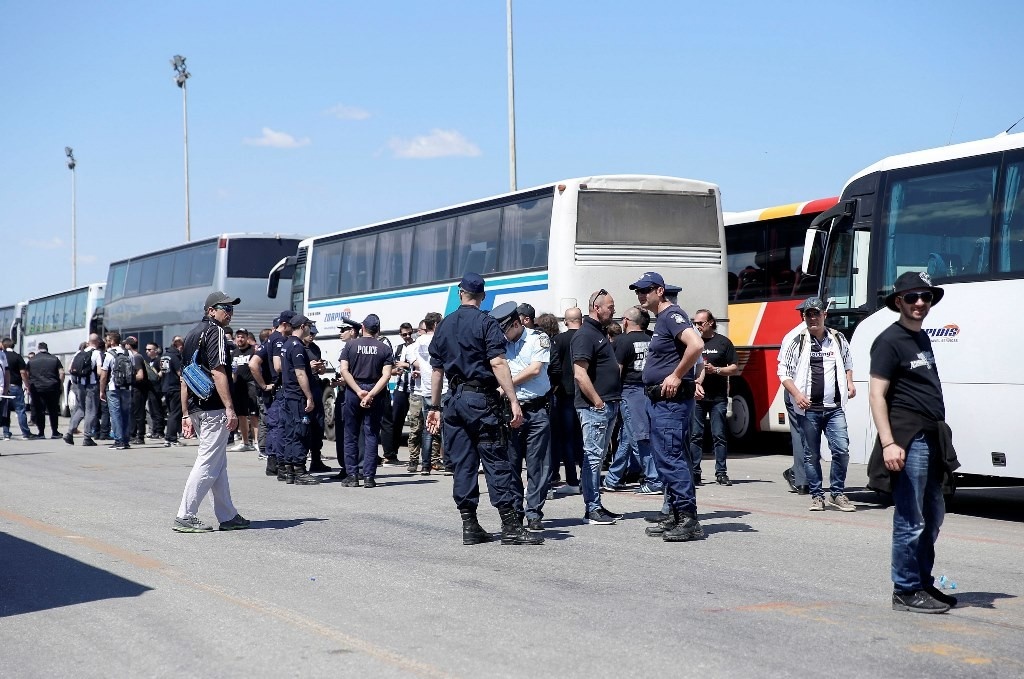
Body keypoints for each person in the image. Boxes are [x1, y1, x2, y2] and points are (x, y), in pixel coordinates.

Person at [427, 273, 542, 546]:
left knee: (463, 465)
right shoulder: (486, 322)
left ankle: (470, 525)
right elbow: (499, 363)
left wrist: (434, 406)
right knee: (495, 461)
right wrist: (514, 401)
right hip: (480, 401)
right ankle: (511, 526)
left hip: (453, 401)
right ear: (483, 295)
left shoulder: (443, 326)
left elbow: (436, 370)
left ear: (460, 293)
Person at [867, 271, 958, 614]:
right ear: (898, 302)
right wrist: (889, 443)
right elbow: (877, 396)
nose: (920, 303)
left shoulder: (922, 339)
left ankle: (922, 582)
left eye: (926, 297)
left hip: (932, 435)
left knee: (934, 514)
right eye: (912, 297)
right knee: (910, 518)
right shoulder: (888, 341)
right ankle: (905, 590)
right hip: (908, 438)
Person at [634, 271, 705, 542]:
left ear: (660, 291)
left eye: (646, 290)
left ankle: (688, 520)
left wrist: (676, 375)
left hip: (670, 403)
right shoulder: (663, 318)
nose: (641, 295)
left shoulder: (672, 315)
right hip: (660, 401)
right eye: (638, 291)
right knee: (667, 459)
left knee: (672, 458)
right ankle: (676, 515)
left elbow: (696, 345)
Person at [174, 291, 249, 532]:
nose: (229, 312)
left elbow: (184, 378)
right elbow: (218, 371)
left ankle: (228, 515)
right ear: (210, 310)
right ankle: (185, 515)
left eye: (231, 308)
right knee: (208, 462)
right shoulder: (214, 331)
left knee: (218, 464)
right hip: (213, 406)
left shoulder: (191, 334)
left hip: (198, 405)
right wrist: (229, 407)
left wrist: (185, 412)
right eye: (224, 308)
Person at [778, 296, 857, 512]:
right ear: (804, 317)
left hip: (834, 408)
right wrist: (797, 395)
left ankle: (837, 493)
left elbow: (848, 363)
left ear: (825, 315)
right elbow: (783, 373)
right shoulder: (797, 340)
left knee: (841, 450)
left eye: (817, 314)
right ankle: (817, 495)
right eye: (809, 314)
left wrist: (849, 382)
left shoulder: (838, 338)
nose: (813, 318)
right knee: (811, 454)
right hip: (809, 409)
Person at [491, 301, 552, 533]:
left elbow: (535, 369)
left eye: (506, 330)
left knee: (537, 465)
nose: (504, 336)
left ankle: (534, 512)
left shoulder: (538, 339)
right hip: (510, 409)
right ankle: (516, 510)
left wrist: (505, 385)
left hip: (536, 409)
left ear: (517, 323)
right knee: (512, 464)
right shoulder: (501, 343)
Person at [571, 288, 623, 525]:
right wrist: (598, 401)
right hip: (595, 408)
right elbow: (580, 373)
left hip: (607, 405)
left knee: (599, 458)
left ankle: (597, 505)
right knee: (592, 458)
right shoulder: (585, 335)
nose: (613, 310)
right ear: (597, 307)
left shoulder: (599, 333)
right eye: (610, 307)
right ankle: (592, 509)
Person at [605, 305, 662, 495]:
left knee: (639, 437)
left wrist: (610, 395)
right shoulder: (651, 339)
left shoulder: (621, 341)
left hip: (629, 393)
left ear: (626, 321)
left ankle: (653, 479)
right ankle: (613, 478)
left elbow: (617, 370)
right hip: (648, 391)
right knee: (626, 437)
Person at [339, 314, 394, 488]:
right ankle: (369, 477)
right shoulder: (384, 349)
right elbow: (386, 375)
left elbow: (344, 371)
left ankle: (352, 475)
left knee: (351, 434)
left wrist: (358, 391)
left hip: (353, 391)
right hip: (375, 391)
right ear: (378, 329)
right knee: (371, 435)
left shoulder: (350, 345)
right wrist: (370, 394)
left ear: (362, 327)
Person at [690, 309, 738, 486]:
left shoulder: (723, 342)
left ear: (710, 323)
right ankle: (695, 472)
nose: (697, 326)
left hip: (717, 396)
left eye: (700, 323)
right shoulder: (692, 341)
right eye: (695, 323)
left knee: (719, 435)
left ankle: (721, 472)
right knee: (695, 435)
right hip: (696, 397)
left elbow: (734, 368)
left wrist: (716, 370)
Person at [275, 315, 321, 485]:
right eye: (309, 325)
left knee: (290, 433)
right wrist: (309, 396)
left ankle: (289, 471)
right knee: (301, 433)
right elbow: (300, 373)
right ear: (303, 326)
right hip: (297, 396)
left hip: (288, 394)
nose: (310, 329)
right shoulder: (297, 347)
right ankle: (300, 471)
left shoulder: (287, 344)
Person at [548, 308, 583, 495]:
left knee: (567, 439)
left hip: (565, 394)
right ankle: (588, 480)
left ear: (566, 321)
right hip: (586, 393)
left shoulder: (559, 340)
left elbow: (554, 366)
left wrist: (553, 387)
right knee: (586, 439)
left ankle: (572, 478)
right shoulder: (589, 337)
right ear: (581, 320)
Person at [781, 300, 813, 495]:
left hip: (798, 391)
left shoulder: (790, 336)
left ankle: (801, 479)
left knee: (801, 435)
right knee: (806, 435)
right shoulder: (798, 336)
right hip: (800, 392)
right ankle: (802, 478)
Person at [407, 315, 444, 474]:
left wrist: (422, 369)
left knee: (427, 429)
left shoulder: (417, 343)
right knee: (445, 428)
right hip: (442, 388)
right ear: (436, 324)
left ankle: (425, 465)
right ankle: (448, 464)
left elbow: (414, 362)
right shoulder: (440, 340)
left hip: (425, 389)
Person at [382, 322, 416, 465]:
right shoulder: (398, 349)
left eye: (409, 333)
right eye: (404, 334)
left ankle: (418, 458)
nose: (407, 337)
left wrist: (406, 365)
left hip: (416, 389)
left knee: (417, 424)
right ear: (400, 335)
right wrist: (396, 370)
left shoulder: (417, 346)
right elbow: (392, 367)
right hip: (401, 388)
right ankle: (392, 454)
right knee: (395, 422)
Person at [302, 322, 331, 473]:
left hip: (316, 386)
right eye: (310, 333)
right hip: (303, 389)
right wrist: (309, 367)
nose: (312, 336)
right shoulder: (298, 347)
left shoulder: (315, 348)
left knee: (318, 425)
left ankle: (316, 460)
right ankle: (299, 463)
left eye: (314, 334)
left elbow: (321, 372)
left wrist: (321, 368)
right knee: (303, 426)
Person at [65, 335, 103, 447]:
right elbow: (100, 371)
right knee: (91, 411)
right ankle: (87, 438)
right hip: (92, 386)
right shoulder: (97, 354)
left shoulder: (79, 353)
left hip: (80, 386)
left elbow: (69, 369)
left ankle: (69, 433)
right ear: (97, 342)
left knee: (81, 409)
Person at [99, 332, 134, 450]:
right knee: (125, 414)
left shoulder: (109, 354)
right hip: (127, 388)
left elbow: (104, 375)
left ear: (112, 341)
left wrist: (101, 390)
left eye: (107, 340)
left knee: (115, 414)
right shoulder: (129, 353)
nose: (106, 342)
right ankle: (126, 440)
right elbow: (133, 370)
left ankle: (119, 441)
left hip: (113, 388)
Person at [27, 342, 65, 439]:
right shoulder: (54, 359)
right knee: (53, 410)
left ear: (38, 349)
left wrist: (28, 386)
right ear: (47, 349)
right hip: (52, 388)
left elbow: (27, 374)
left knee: (40, 411)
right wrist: (60, 385)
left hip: (37, 388)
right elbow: (62, 373)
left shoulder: (32, 360)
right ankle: (55, 432)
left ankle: (41, 433)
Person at [2, 338, 31, 440]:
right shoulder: (17, 357)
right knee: (20, 410)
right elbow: (23, 372)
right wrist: (27, 385)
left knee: (5, 411)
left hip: (4, 387)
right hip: (16, 386)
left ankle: (6, 433)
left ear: (3, 346)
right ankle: (25, 433)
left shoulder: (2, 356)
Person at [162, 336, 186, 448]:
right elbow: (179, 373)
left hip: (166, 387)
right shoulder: (175, 357)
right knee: (175, 414)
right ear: (179, 345)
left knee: (171, 413)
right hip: (175, 387)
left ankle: (169, 438)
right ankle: (171, 438)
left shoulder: (164, 356)